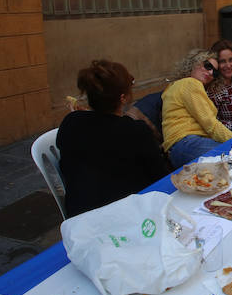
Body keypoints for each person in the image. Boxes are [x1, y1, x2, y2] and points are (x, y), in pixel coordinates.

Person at [56, 60, 169, 218]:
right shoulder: (136, 131)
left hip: (79, 218)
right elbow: (160, 179)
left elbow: (96, 136)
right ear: (123, 98)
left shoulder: (70, 122)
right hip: (126, 218)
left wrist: (83, 115)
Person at [161, 50, 232, 168]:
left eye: (215, 73)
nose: (210, 72)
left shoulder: (177, 85)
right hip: (187, 143)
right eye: (207, 66)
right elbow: (211, 125)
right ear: (196, 62)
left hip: (179, 149)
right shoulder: (190, 83)